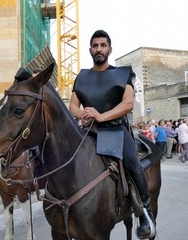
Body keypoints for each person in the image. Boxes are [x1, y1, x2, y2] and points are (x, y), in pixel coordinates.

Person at [69, 29, 156, 239]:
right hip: (88, 131)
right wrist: (82, 114)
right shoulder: (81, 77)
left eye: (103, 45)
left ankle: (145, 212)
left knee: (134, 164)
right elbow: (72, 105)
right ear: (90, 49)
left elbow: (128, 104)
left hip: (116, 130)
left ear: (110, 49)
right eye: (95, 45)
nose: (99, 49)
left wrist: (101, 116)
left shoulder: (123, 73)